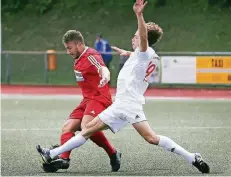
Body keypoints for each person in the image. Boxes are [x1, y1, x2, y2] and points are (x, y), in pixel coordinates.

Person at [37, 0, 210, 174]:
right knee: (151, 138)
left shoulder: (144, 51)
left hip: (125, 104)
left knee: (87, 129)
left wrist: (139, 15)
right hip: (130, 104)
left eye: (136, 36)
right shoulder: (147, 55)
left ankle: (53, 153)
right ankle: (192, 157)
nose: (133, 38)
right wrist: (128, 53)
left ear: (144, 39)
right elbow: (140, 55)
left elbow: (143, 39)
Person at [37, 29, 121, 172]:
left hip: (99, 99)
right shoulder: (78, 58)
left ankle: (62, 156)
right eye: (66, 48)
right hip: (87, 100)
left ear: (79, 44)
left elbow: (102, 68)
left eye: (70, 48)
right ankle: (65, 158)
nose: (68, 52)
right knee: (67, 127)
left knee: (86, 126)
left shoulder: (90, 55)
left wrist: (105, 76)